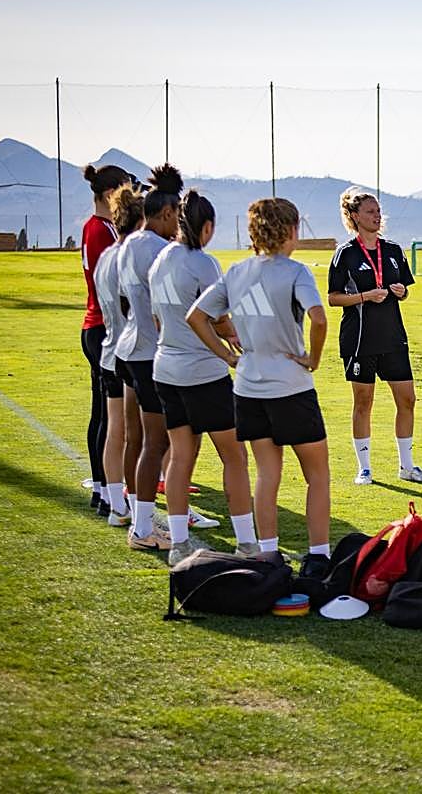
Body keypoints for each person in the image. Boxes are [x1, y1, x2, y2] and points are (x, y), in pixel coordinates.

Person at [189, 197, 333, 579]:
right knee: (317, 474)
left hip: (249, 388)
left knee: (268, 474)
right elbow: (319, 319)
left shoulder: (236, 272)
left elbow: (196, 317)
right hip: (291, 385)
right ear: (291, 231)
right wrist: (313, 358)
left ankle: (268, 556)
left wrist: (229, 357)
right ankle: (318, 556)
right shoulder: (297, 271)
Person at [150, 189, 259, 565]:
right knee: (235, 456)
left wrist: (226, 334)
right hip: (202, 374)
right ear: (207, 226)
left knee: (181, 457)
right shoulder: (204, 263)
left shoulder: (160, 258)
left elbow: (160, 318)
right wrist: (231, 352)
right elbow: (209, 314)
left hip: (165, 369)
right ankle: (246, 542)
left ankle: (179, 543)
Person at [327, 187, 422, 485]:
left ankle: (407, 466)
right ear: (354, 216)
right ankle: (364, 468)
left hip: (393, 337)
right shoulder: (345, 254)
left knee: (407, 399)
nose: (376, 216)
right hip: (359, 339)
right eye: (370, 211)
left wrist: (401, 292)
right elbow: (334, 298)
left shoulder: (393, 250)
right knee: (363, 402)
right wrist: (363, 296)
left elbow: (404, 289)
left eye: (378, 211)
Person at [115, 164, 183, 552]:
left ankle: (141, 518)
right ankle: (143, 528)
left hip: (130, 347)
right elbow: (169, 307)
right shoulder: (158, 248)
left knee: (143, 440)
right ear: (168, 213)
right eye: (177, 218)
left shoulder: (128, 243)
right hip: (149, 354)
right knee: (158, 444)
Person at [80, 163, 132, 516]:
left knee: (105, 413)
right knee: (107, 416)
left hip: (101, 325)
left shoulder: (103, 228)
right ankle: (103, 488)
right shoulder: (99, 231)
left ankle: (104, 487)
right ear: (111, 192)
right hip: (102, 327)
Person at [92, 181, 143, 528]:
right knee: (143, 434)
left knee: (115, 429)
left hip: (110, 349)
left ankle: (116, 504)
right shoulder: (129, 256)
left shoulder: (107, 255)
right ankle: (140, 510)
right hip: (131, 351)